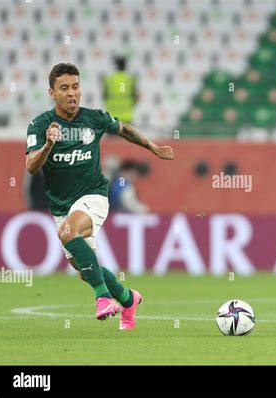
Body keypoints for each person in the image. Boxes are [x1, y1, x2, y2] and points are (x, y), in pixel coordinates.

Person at [25, 63, 174, 329]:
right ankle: (128, 298)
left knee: (69, 233)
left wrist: (153, 147)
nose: (72, 93)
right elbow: (31, 165)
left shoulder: (93, 118)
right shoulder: (40, 125)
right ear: (52, 93)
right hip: (62, 206)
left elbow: (124, 129)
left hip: (94, 196)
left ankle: (103, 298)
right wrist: (48, 145)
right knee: (84, 269)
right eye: (64, 88)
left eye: (76, 87)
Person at [103, 56, 138, 124]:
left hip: (112, 114)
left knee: (112, 134)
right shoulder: (130, 79)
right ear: (125, 65)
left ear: (116, 65)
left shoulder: (109, 79)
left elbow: (104, 96)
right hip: (127, 114)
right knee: (129, 134)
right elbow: (135, 96)